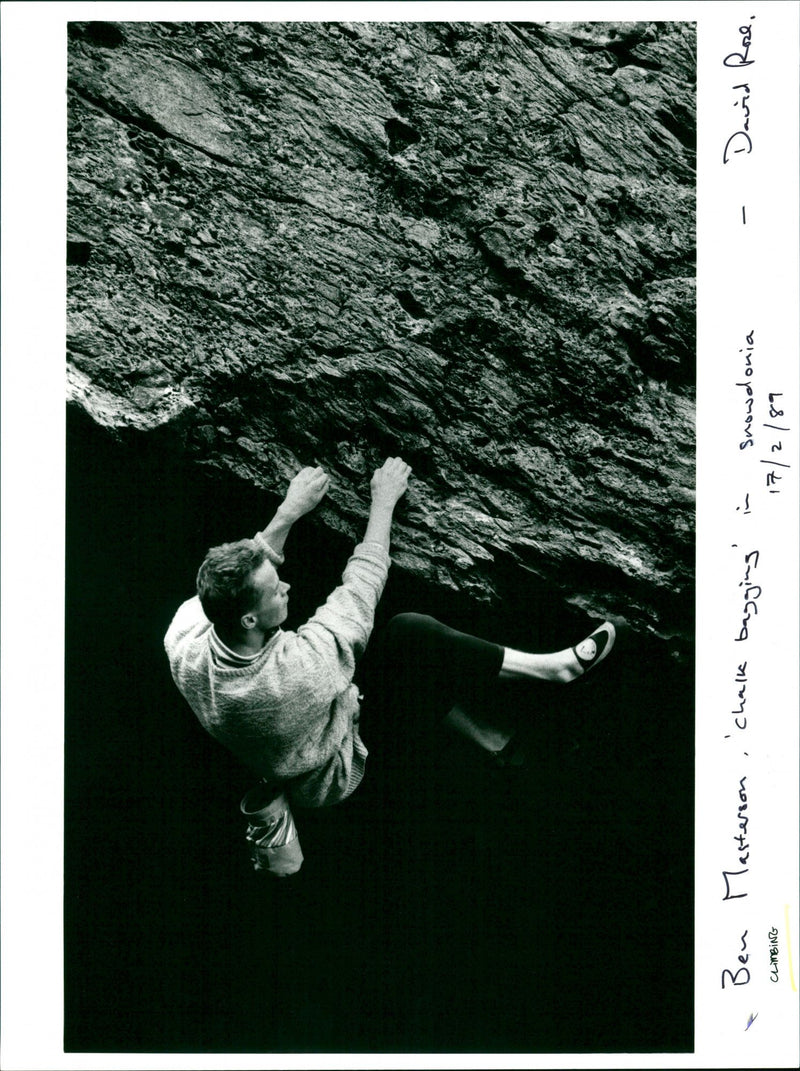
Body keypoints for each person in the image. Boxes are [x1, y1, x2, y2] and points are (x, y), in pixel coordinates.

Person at [164, 458, 615, 867]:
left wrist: (289, 510)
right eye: (275, 589)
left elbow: (255, 559)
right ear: (247, 618)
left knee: (404, 664)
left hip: (286, 737)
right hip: (340, 768)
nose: (287, 587)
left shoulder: (184, 633)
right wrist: (383, 501)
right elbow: (363, 582)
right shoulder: (297, 673)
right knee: (409, 634)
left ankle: (497, 743)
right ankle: (557, 670)